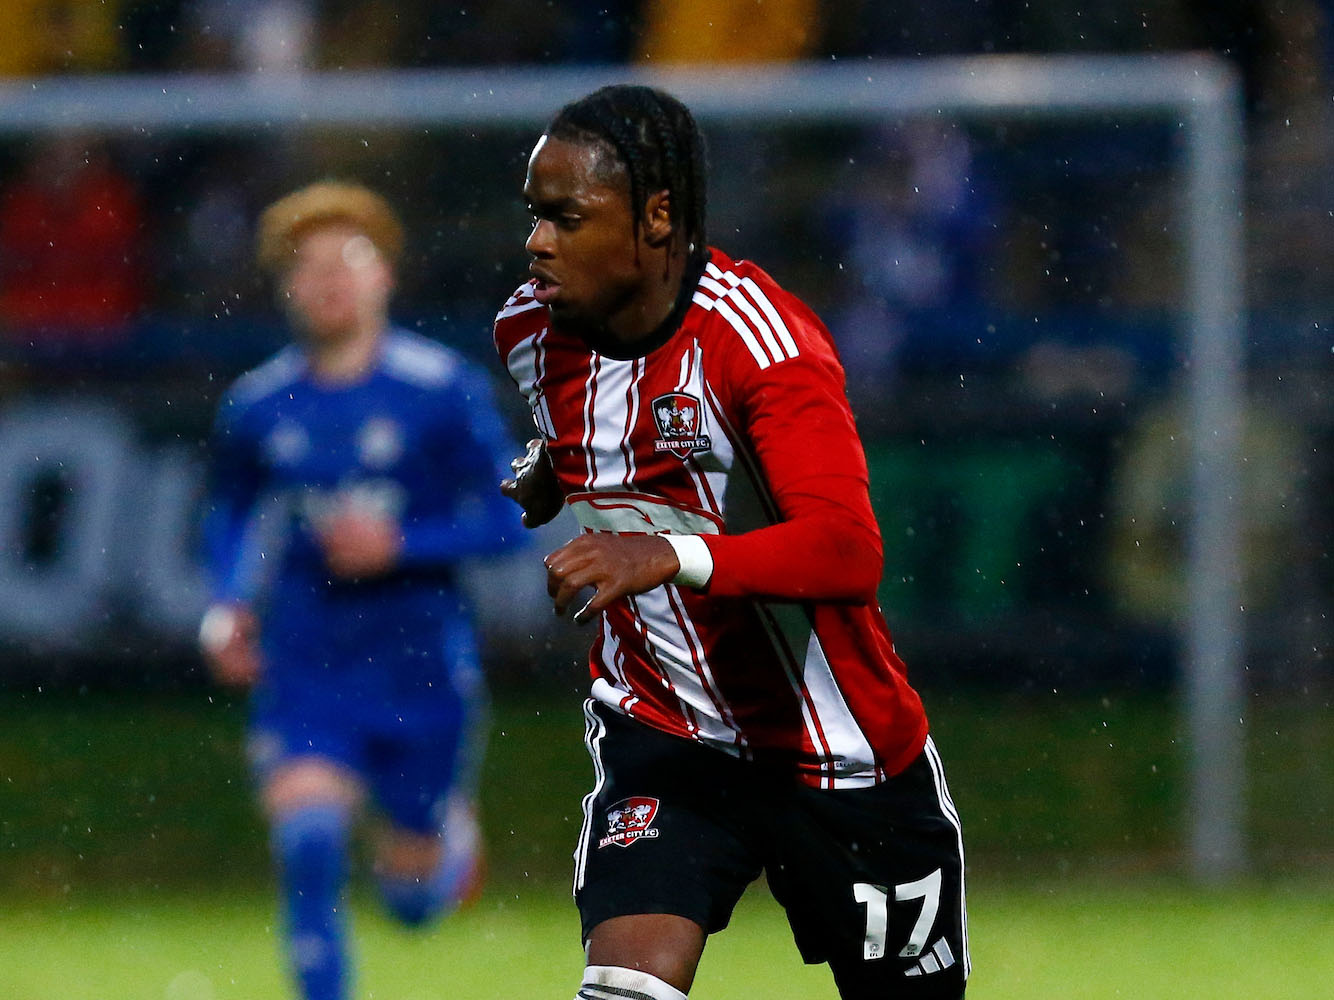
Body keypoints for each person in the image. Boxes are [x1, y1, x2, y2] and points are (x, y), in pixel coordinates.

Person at [495, 86, 969, 1000]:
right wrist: (551, 471)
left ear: (657, 216)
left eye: (567, 217)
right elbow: (592, 430)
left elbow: (845, 551)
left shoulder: (762, 342)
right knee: (624, 991)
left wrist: (670, 556)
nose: (537, 243)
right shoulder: (530, 330)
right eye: (533, 216)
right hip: (664, 735)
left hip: (838, 753)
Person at [199, 181, 521, 1000]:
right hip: (310, 655)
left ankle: (437, 843)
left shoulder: (440, 389)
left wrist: (404, 544)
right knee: (308, 844)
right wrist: (229, 605)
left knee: (411, 905)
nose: (329, 278)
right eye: (308, 266)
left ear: (384, 275)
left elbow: (510, 519)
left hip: (419, 659)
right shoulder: (260, 404)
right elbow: (234, 512)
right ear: (287, 289)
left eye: (348, 259)